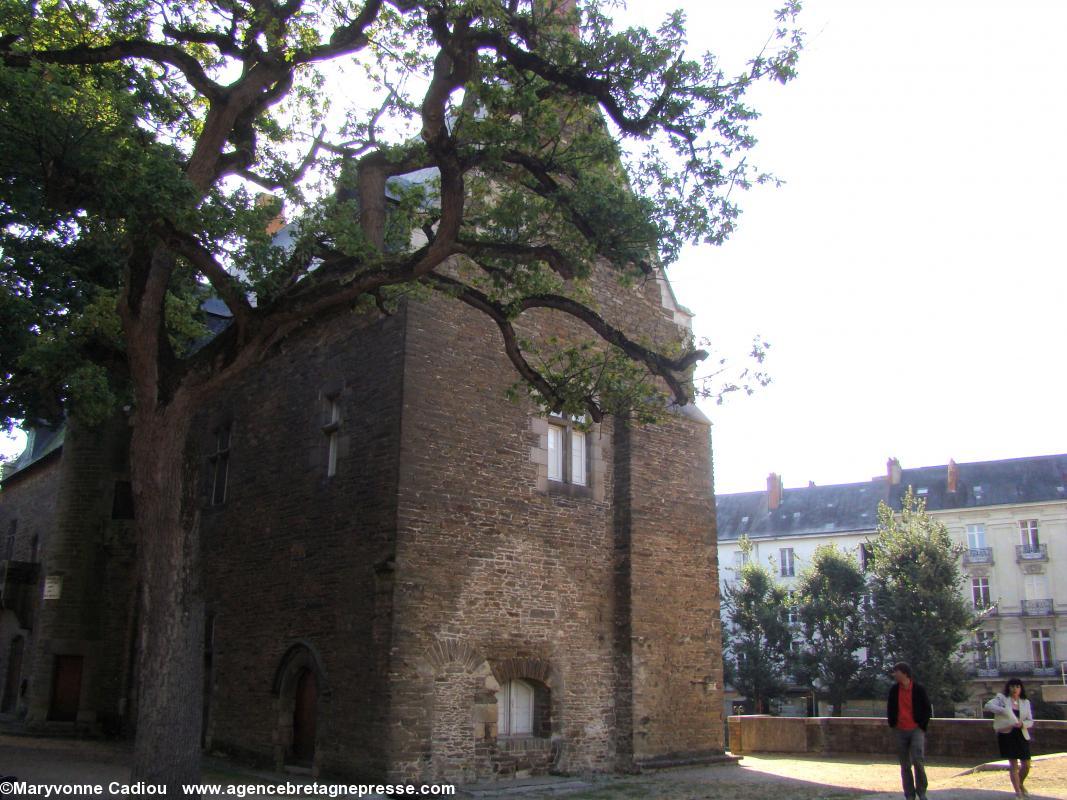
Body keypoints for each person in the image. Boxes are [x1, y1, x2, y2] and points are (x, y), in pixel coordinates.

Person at [886, 662, 932, 800]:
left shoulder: (918, 689)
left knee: (918, 760)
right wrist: (892, 723)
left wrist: (921, 725)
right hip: (899, 730)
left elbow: (927, 709)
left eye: (896, 672)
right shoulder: (894, 690)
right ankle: (909, 795)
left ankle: (921, 791)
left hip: (916, 729)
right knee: (905, 764)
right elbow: (890, 708)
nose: (894, 674)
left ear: (904, 673)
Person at [984, 678, 1034, 798]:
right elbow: (988, 705)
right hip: (1007, 734)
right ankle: (1018, 793)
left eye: (1017, 687)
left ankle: (1020, 784)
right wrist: (1005, 711)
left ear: (1021, 689)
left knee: (1026, 764)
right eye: (1012, 687)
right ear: (1008, 688)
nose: (1015, 689)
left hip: (1021, 734)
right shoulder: (1002, 699)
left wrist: (1023, 724)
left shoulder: (1025, 702)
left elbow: (1030, 720)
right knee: (1013, 764)